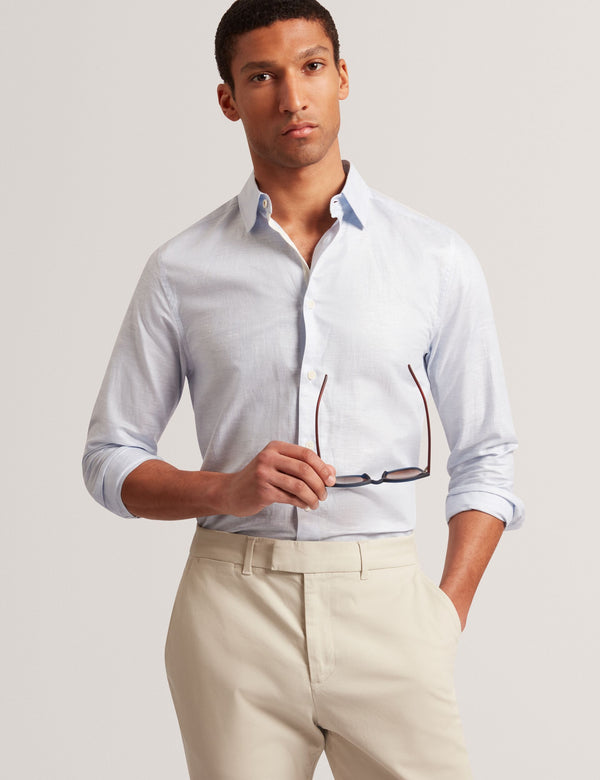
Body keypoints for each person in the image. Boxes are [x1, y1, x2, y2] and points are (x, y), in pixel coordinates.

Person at [82, 0, 524, 777]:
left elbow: (487, 453)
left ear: (342, 77)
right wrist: (226, 487)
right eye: (262, 77)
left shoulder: (434, 259)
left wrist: (444, 614)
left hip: (388, 606)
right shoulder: (182, 269)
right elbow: (110, 458)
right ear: (229, 99)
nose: (292, 97)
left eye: (311, 67)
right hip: (232, 611)